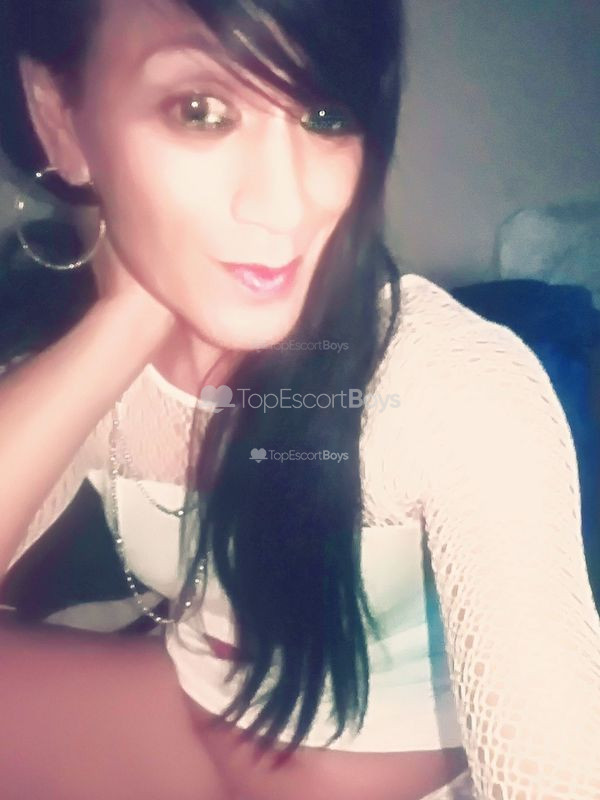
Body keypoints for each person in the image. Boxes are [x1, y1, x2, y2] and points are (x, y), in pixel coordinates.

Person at [0, 1, 598, 798]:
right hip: (185, 715)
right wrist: (125, 318)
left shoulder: (450, 384)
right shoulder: (106, 366)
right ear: (58, 119)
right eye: (201, 111)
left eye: (324, 115)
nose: (286, 206)